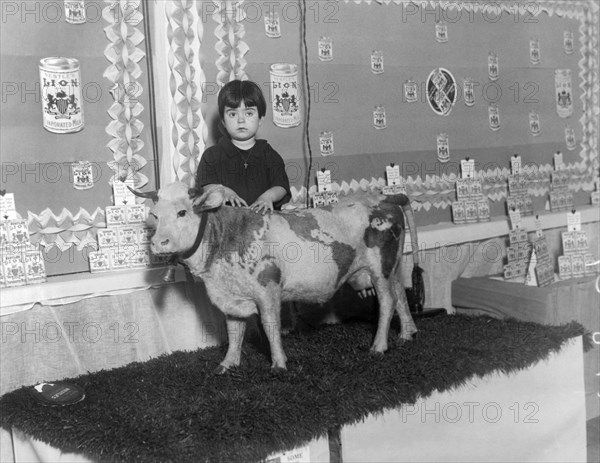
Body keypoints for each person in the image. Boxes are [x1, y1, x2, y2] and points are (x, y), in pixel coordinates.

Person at [196, 79, 290, 213]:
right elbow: (206, 185)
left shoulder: (269, 154)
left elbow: (281, 186)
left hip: (264, 223)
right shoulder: (212, 156)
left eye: (249, 113)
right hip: (227, 224)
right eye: (233, 114)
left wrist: (268, 197)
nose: (241, 120)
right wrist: (224, 192)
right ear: (223, 121)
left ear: (260, 120)